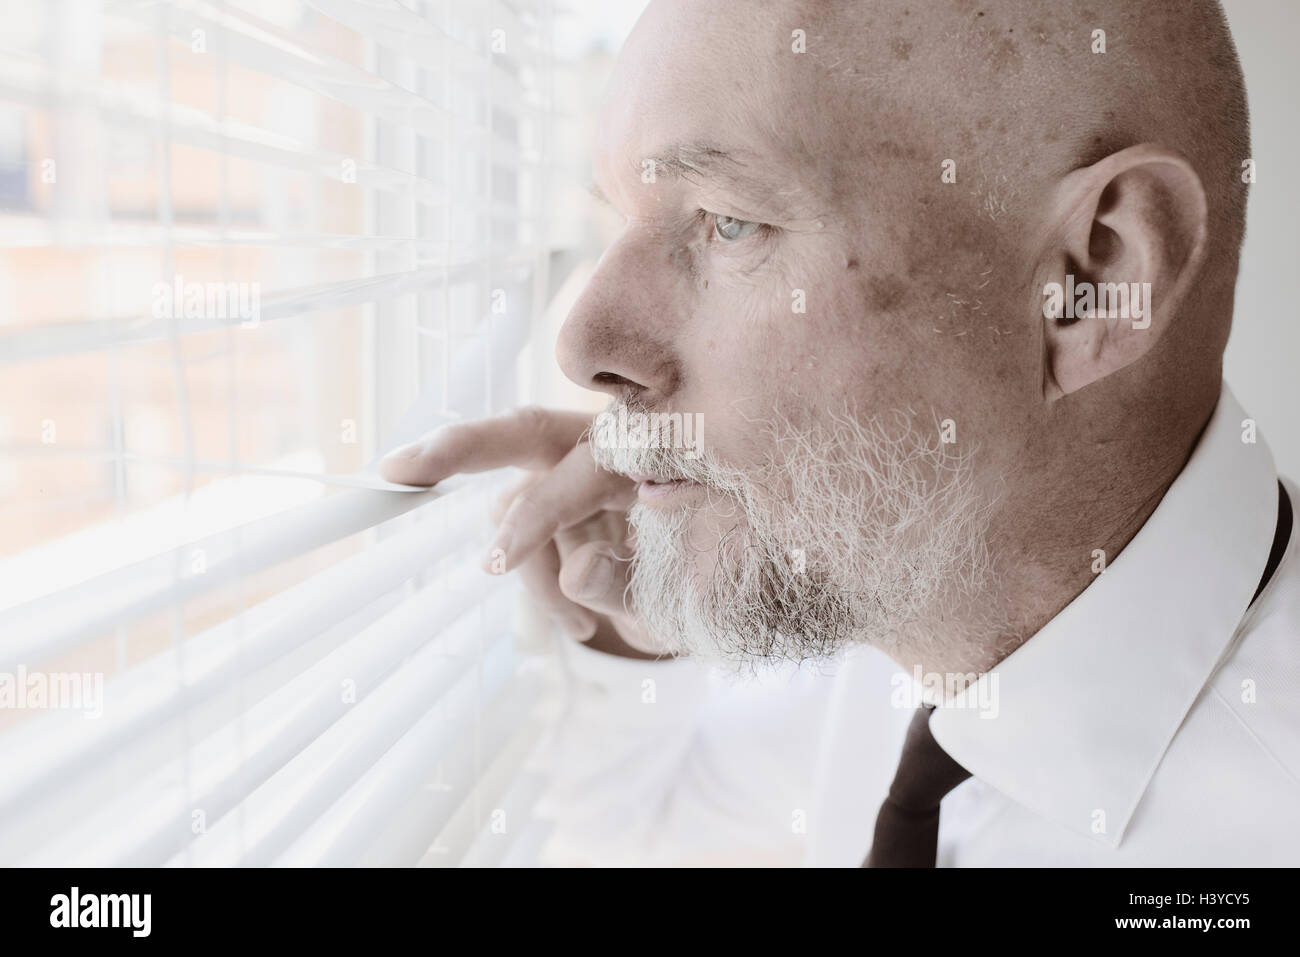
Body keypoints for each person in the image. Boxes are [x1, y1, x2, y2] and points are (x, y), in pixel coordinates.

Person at [381, 0, 1299, 865]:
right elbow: (652, 827)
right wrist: (641, 621)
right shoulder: (905, 588)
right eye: (622, 219)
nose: (583, 345)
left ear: (1093, 280)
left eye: (728, 222)